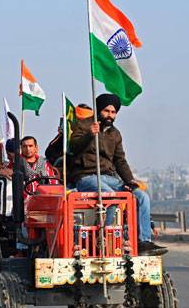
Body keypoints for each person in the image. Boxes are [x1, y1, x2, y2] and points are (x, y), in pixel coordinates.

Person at [70, 93, 164, 256]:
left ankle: (143, 241)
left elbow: (120, 160)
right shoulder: (84, 126)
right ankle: (103, 238)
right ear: (99, 110)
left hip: (109, 177)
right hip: (87, 176)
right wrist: (89, 135)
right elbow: (74, 148)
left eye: (113, 112)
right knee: (110, 196)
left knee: (141, 197)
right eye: (106, 111)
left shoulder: (115, 134)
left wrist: (130, 181)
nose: (110, 115)